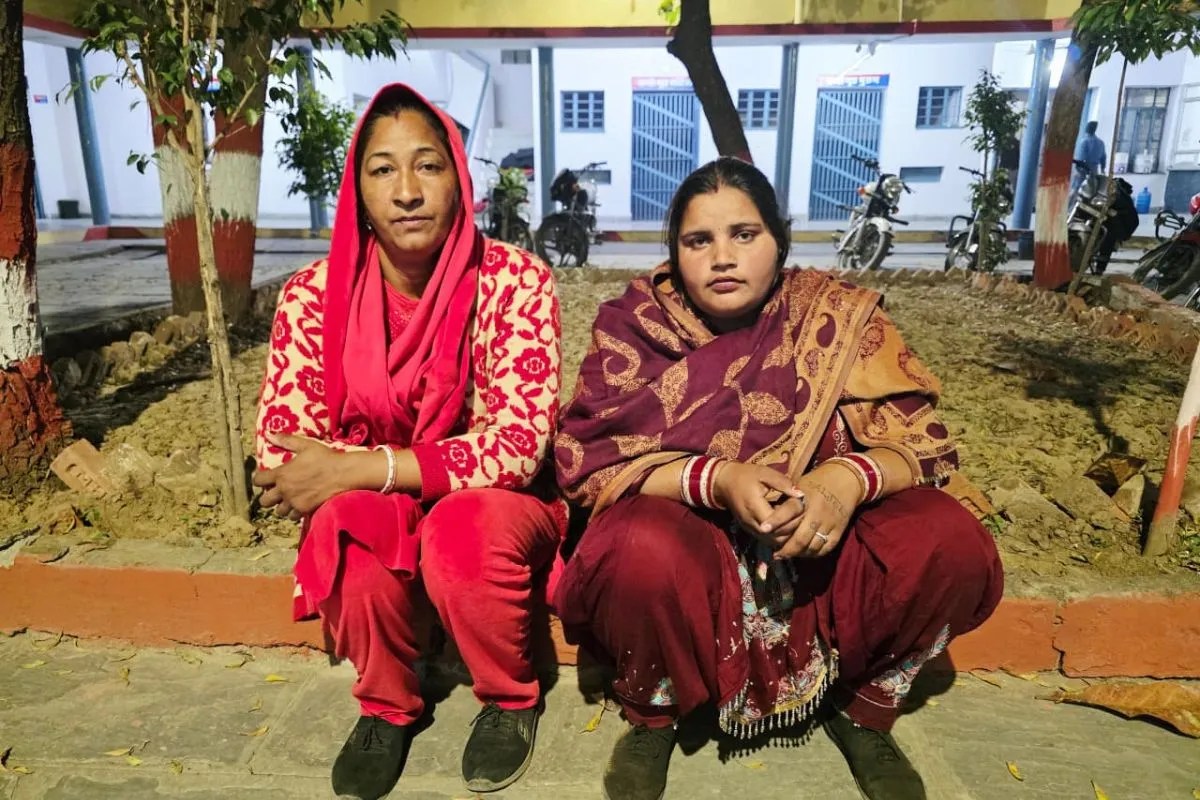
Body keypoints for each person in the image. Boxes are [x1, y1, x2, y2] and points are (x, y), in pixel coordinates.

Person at [553, 157, 1003, 800]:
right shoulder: (635, 327)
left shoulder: (835, 317)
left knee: (949, 540)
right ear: (675, 253)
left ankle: (864, 708)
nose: (722, 257)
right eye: (698, 240)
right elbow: (590, 465)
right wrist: (718, 480)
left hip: (823, 554)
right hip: (692, 553)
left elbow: (924, 447)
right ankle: (654, 710)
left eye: (745, 234)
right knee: (633, 546)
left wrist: (845, 480)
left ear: (780, 241)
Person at [252, 83, 566, 800]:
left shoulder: (514, 281)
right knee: (346, 521)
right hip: (392, 497)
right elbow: (282, 454)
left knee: (462, 527)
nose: (407, 191)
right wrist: (362, 480)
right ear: (358, 191)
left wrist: (360, 465)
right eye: (383, 170)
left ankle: (509, 696)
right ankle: (386, 704)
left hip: (492, 504)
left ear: (459, 179)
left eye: (427, 165)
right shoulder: (312, 295)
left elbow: (518, 446)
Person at [1073, 120, 1108, 193]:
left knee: (1076, 190)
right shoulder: (1101, 143)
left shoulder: (1084, 141)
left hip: (1083, 169)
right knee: (1091, 191)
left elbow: (1080, 159)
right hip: (1094, 169)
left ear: (1087, 130)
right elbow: (1103, 158)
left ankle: (1071, 201)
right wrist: (1102, 169)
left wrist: (1077, 169)